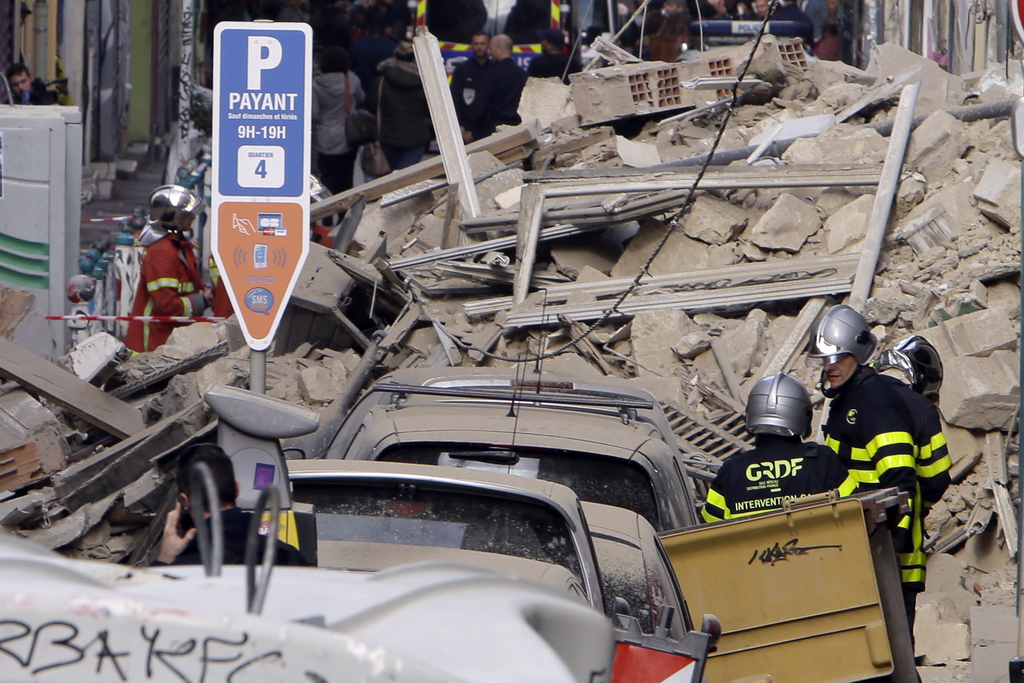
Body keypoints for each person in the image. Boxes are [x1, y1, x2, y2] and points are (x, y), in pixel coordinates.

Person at [808, 305, 919, 629]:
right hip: (860, 545)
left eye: (837, 358)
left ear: (857, 353)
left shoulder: (874, 402)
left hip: (882, 552)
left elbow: (901, 485)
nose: (830, 367)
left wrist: (887, 554)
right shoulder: (849, 399)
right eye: (825, 360)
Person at [874, 335, 951, 636]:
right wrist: (919, 504)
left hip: (848, 545)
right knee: (898, 642)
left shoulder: (852, 402)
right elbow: (937, 478)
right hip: (903, 550)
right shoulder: (920, 408)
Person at [702, 373, 857, 523]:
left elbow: (711, 528)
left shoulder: (730, 472)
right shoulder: (823, 460)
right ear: (804, 416)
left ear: (751, 414)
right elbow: (856, 507)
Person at [157, 444, 308, 566]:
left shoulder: (185, 569)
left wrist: (165, 559)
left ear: (186, 500)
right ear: (236, 489)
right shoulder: (288, 556)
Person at [125, 186, 210, 354]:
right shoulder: (162, 253)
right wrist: (201, 300)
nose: (193, 217)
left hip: (168, 341)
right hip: (152, 347)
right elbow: (166, 306)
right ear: (172, 217)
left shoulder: (177, 246)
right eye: (187, 214)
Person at [372, 41, 432, 171]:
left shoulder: (381, 81)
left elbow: (372, 106)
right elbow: (430, 111)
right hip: (415, 138)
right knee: (405, 179)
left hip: (387, 137)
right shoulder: (422, 83)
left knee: (393, 176)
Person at [312, 46, 364, 195]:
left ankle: (327, 215)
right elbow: (361, 98)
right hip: (347, 136)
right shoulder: (351, 79)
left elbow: (314, 114)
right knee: (346, 177)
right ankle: (343, 214)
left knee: (326, 176)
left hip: (324, 137)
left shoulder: (316, 84)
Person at [462, 35, 528, 143]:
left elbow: (480, 104)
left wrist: (469, 127)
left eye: (491, 49)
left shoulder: (490, 74)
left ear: (498, 50)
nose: (489, 52)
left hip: (491, 130)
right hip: (516, 129)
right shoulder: (522, 74)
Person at [452, 31, 491, 142]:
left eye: (482, 44)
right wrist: (461, 126)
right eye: (476, 43)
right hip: (467, 127)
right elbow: (456, 98)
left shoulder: (495, 69)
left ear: (488, 45)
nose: (479, 47)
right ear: (472, 45)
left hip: (489, 128)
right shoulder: (462, 70)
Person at [349, 19, 397, 94]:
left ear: (366, 31)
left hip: (362, 91)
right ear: (384, 30)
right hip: (385, 94)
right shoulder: (393, 47)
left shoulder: (356, 46)